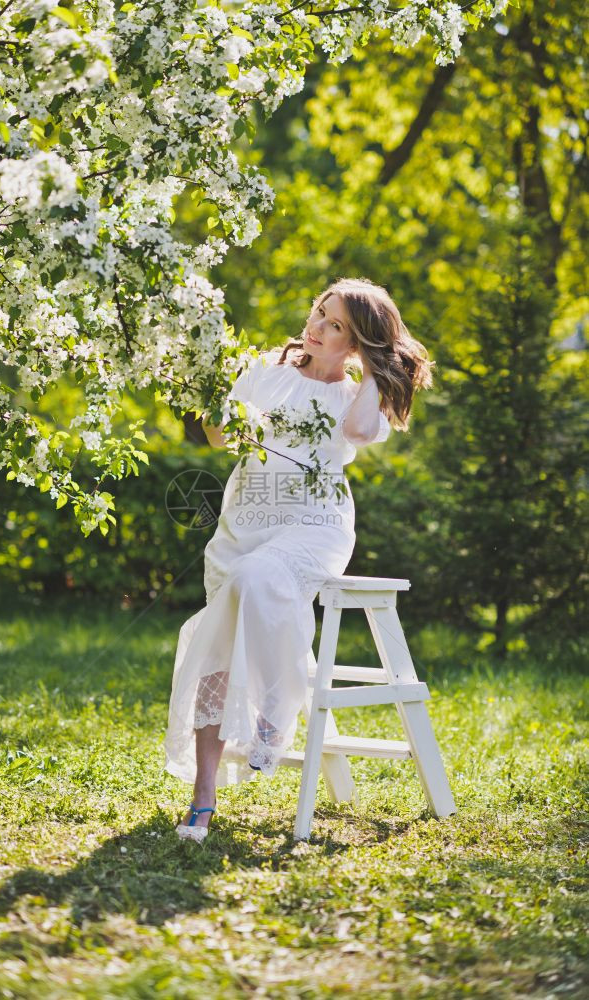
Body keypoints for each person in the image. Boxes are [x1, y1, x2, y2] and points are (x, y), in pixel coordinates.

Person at [164, 277, 434, 842]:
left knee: (261, 578)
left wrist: (369, 370)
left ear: (356, 343)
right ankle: (204, 795)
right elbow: (218, 438)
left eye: (335, 325)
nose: (315, 327)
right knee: (222, 629)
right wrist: (216, 390)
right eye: (319, 312)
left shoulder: (359, 395)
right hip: (247, 521)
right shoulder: (267, 369)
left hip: (316, 526)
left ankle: (275, 711)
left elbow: (359, 431)